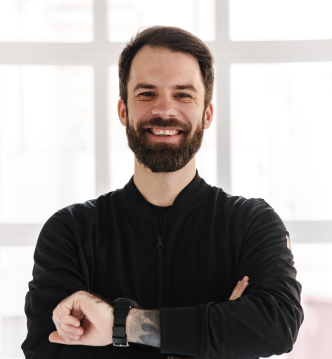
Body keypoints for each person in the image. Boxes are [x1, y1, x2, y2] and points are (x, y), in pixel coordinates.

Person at [21, 26, 303, 359]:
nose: (164, 110)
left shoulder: (251, 223)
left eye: (183, 94)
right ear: (123, 111)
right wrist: (216, 335)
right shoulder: (69, 231)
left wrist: (120, 325)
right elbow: (47, 350)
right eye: (146, 93)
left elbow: (277, 326)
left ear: (206, 113)